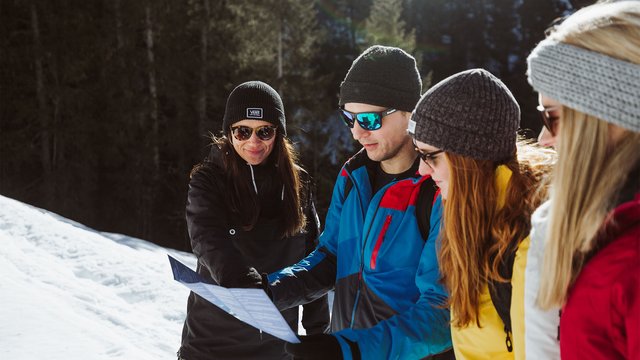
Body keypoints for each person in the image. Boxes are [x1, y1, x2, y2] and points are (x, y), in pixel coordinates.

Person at [267, 45, 454, 359]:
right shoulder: (354, 175)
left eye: (368, 119)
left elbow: (441, 314)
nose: (356, 132)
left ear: (409, 113)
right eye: (349, 118)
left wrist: (352, 349)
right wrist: (273, 289)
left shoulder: (438, 189)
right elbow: (331, 255)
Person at [178, 81, 330, 360]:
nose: (253, 142)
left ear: (279, 133)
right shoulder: (209, 180)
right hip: (211, 346)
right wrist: (244, 283)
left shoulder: (298, 184)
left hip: (277, 348)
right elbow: (208, 240)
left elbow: (313, 257)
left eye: (265, 131)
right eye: (242, 131)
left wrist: (318, 332)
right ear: (229, 133)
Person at [409, 68, 554, 359]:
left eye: (430, 156)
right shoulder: (467, 213)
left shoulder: (529, 231)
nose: (422, 170)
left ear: (469, 158)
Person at [527, 2, 640, 359]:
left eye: (553, 117)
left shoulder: (628, 265)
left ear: (611, 115)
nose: (544, 140)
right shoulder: (608, 238)